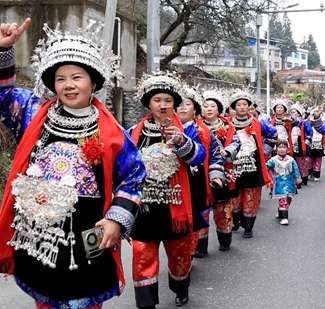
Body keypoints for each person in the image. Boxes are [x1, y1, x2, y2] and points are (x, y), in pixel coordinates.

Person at [0, 19, 147, 308]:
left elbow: (134, 176)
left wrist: (116, 220)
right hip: (39, 236)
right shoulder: (32, 113)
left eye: (77, 77)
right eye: (60, 78)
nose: (68, 85)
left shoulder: (112, 132)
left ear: (94, 82)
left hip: (87, 238)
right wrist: (4, 52)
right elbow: (3, 96)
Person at [129, 70, 207, 309]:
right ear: (148, 104)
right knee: (142, 253)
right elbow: (125, 163)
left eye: (168, 100)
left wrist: (183, 141)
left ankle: (181, 286)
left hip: (177, 203)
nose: (162, 105)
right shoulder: (135, 131)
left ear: (174, 104)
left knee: (179, 255)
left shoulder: (186, 129)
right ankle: (146, 302)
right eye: (157, 100)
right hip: (145, 204)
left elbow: (199, 158)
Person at [177, 87, 226, 258]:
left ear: (195, 108)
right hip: (174, 185)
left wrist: (215, 175)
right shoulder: (164, 128)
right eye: (179, 104)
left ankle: (189, 254)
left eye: (187, 104)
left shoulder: (204, 132)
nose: (182, 107)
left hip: (196, 182)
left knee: (196, 217)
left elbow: (215, 155)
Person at [228, 89, 277, 238]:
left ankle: (248, 227)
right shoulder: (227, 123)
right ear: (233, 107)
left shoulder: (258, 123)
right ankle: (236, 221)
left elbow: (273, 134)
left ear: (249, 106)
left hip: (253, 165)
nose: (242, 107)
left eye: (245, 104)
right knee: (235, 197)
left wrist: (265, 150)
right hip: (234, 165)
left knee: (251, 196)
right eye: (238, 105)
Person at [201, 89, 241, 252]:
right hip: (201, 173)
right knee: (201, 211)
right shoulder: (196, 126)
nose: (209, 109)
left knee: (223, 209)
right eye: (206, 106)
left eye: (212, 106)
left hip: (223, 171)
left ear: (218, 110)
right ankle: (200, 247)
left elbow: (237, 142)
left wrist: (228, 150)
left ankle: (225, 239)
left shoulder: (227, 126)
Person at [266, 140, 302, 225]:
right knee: (283, 199)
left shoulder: (291, 160)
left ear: (287, 149)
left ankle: (281, 211)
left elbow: (296, 170)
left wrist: (298, 179)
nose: (282, 149)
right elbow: (267, 166)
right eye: (280, 147)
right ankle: (284, 217)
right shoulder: (273, 160)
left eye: (284, 147)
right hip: (279, 183)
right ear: (276, 149)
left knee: (288, 199)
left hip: (290, 183)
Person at [289, 102, 313, 185]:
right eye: (291, 112)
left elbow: (310, 132)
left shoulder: (303, 122)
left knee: (301, 162)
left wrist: (306, 143)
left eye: (294, 112)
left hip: (300, 143)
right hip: (291, 142)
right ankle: (294, 179)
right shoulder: (288, 121)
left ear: (299, 113)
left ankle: (303, 178)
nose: (292, 114)